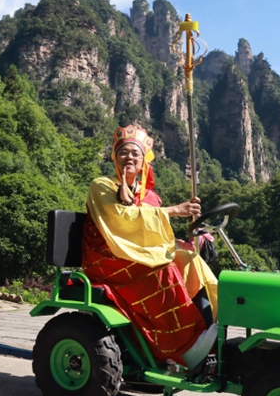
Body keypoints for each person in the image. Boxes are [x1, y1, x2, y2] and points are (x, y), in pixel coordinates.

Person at [81, 125, 219, 372]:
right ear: (114, 157)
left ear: (143, 161)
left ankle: (207, 327)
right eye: (123, 152)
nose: (129, 157)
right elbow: (121, 221)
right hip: (107, 258)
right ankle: (182, 344)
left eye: (135, 153)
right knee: (162, 268)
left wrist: (185, 241)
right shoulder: (101, 186)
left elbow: (154, 235)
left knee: (190, 260)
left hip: (136, 255)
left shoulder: (150, 196)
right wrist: (174, 210)